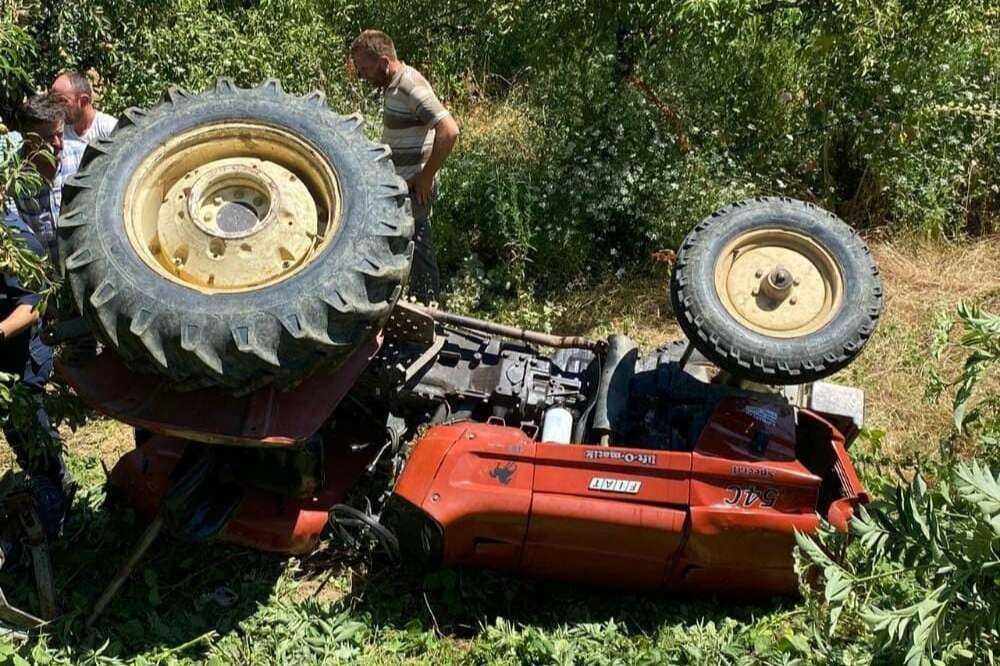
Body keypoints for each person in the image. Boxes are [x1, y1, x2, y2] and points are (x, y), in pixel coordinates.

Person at [350, 30, 460, 304]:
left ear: (384, 62)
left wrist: (425, 177)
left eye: (365, 69)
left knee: (419, 247)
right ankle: (405, 303)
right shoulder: (393, 85)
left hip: (415, 186)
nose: (363, 77)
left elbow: (449, 130)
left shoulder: (410, 85)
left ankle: (429, 307)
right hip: (401, 184)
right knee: (401, 246)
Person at [0, 206, 73, 549]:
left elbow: (32, 305)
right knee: (16, 430)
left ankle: (56, 502)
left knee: (29, 429)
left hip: (22, 358)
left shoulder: (14, 239)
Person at [10, 94, 65, 265]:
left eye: (60, 134)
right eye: (48, 138)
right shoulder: (13, 174)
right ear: (28, 139)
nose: (57, 143)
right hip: (40, 278)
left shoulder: (81, 159)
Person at [49, 70, 117, 179]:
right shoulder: (59, 130)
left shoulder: (110, 130)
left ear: (84, 101)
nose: (56, 107)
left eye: (62, 101)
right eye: (53, 101)